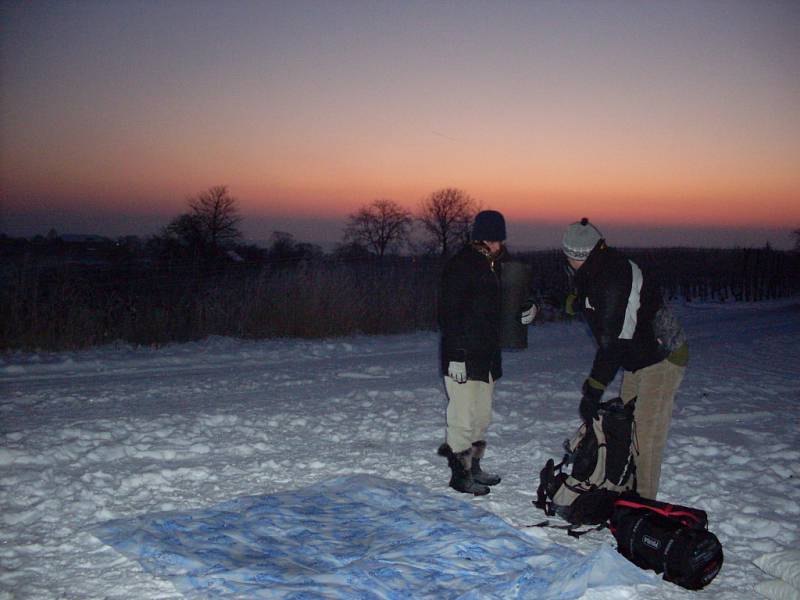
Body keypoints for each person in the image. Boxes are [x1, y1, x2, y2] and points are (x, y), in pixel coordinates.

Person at [562, 218, 688, 500]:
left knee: (646, 435)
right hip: (635, 359)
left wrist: (594, 387)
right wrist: (576, 300)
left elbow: (615, 340)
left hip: (662, 357)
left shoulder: (617, 276)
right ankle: (622, 492)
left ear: (585, 255)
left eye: (572, 258)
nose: (569, 263)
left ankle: (642, 507)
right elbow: (591, 298)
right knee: (624, 428)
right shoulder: (592, 269)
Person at [436, 210, 536, 495]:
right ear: (479, 238)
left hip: (488, 356)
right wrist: (455, 355)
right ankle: (460, 474)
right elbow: (448, 315)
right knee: (462, 417)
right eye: (491, 240)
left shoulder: (500, 265)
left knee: (482, 417)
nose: (497, 245)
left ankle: (475, 468)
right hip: (463, 356)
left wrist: (528, 310)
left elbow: (511, 300)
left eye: (499, 240)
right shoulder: (461, 266)